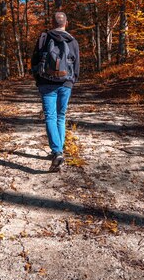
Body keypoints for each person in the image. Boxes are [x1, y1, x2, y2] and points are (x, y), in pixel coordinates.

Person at [31, 12, 80, 172]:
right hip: (66, 82)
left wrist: (38, 79)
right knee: (61, 116)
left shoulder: (44, 38)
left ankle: (57, 151)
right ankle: (59, 149)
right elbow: (77, 64)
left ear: (52, 22)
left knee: (50, 117)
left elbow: (35, 59)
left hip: (46, 82)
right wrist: (71, 82)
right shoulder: (72, 41)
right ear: (67, 22)